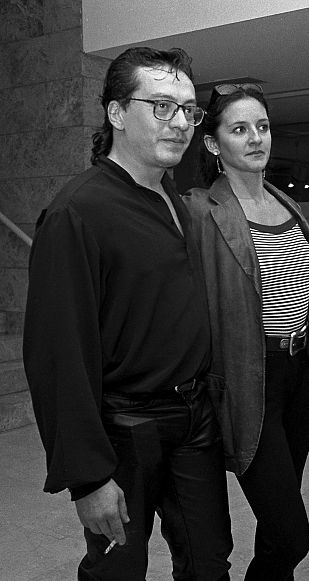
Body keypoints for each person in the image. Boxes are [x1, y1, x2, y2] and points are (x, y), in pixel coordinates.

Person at [23, 47, 233, 580]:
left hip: (193, 419)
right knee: (118, 571)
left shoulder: (172, 199)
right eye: (162, 107)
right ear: (117, 113)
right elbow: (57, 354)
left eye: (188, 110)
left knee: (209, 562)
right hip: (124, 426)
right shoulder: (78, 211)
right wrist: (88, 478)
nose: (180, 122)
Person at [181, 83, 309, 581]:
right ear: (212, 143)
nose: (256, 138)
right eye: (239, 129)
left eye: (262, 126)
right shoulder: (199, 211)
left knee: (276, 526)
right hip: (247, 380)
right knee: (292, 533)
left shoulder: (287, 205)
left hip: (298, 378)